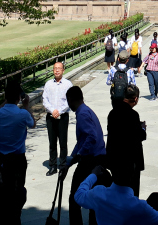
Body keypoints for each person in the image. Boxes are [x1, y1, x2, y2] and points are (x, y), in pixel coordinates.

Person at [0, 80, 36, 222]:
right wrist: (26, 106)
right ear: (19, 98)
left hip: (1, 160)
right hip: (17, 160)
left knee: (2, 190)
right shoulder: (22, 114)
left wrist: (7, 99)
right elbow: (33, 123)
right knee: (17, 192)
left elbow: (2, 107)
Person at [74, 164, 158, 225]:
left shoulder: (99, 193)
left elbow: (78, 195)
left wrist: (93, 175)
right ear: (132, 175)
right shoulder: (138, 206)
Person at [64, 85, 107, 225]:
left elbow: (91, 137)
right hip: (95, 157)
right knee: (94, 195)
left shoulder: (82, 113)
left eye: (68, 101)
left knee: (75, 196)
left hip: (91, 159)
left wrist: (79, 155)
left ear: (71, 99)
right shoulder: (85, 110)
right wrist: (70, 159)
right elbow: (82, 140)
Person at [106, 84, 146, 196]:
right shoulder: (133, 115)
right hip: (129, 161)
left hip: (115, 159)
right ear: (136, 99)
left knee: (117, 191)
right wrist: (142, 128)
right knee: (131, 192)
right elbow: (138, 136)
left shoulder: (112, 113)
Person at [42, 61, 71, 175]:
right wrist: (52, 110)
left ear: (63, 70)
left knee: (63, 142)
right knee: (52, 142)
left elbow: (69, 101)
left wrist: (59, 111)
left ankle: (63, 166)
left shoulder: (68, 84)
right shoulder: (48, 84)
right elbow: (45, 100)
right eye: (55, 68)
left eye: (59, 68)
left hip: (62, 117)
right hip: (50, 117)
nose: (57, 70)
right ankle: (53, 165)